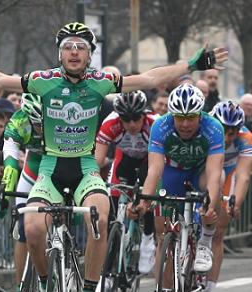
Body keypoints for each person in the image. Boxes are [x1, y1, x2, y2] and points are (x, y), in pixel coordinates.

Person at [0, 22, 228, 291]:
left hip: (84, 168)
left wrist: (193, 63)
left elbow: (149, 79)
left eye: (81, 47)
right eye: (68, 47)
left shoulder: (99, 81)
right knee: (31, 228)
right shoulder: (44, 80)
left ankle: (90, 286)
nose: (74, 52)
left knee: (101, 214)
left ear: (90, 54)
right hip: (51, 169)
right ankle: (43, 280)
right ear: (60, 53)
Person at [128, 83, 225, 290]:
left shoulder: (214, 127)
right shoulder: (161, 126)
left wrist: (210, 205)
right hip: (172, 171)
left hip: (200, 172)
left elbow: (214, 173)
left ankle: (205, 240)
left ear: (200, 115)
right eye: (180, 117)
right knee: (163, 235)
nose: (185, 124)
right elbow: (154, 170)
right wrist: (144, 201)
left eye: (191, 117)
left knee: (219, 181)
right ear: (172, 115)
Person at [95, 90, 157, 274]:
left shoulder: (154, 124)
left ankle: (148, 239)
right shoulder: (110, 124)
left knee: (146, 195)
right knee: (112, 203)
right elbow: (97, 162)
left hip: (149, 160)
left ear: (144, 114)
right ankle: (109, 269)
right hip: (125, 160)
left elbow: (159, 165)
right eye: (126, 119)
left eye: (136, 118)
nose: (131, 124)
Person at [0, 93, 43, 291]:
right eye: (35, 123)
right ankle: (21, 284)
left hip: (58, 165)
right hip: (33, 168)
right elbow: (11, 162)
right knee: (23, 227)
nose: (39, 128)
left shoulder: (60, 116)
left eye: (42, 123)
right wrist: (4, 194)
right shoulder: (18, 121)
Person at [207, 101, 252, 292]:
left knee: (219, 230)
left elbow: (243, 176)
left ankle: (209, 285)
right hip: (205, 170)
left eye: (231, 132)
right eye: (223, 130)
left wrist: (235, 204)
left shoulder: (246, 138)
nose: (226, 137)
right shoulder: (205, 129)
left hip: (228, 172)